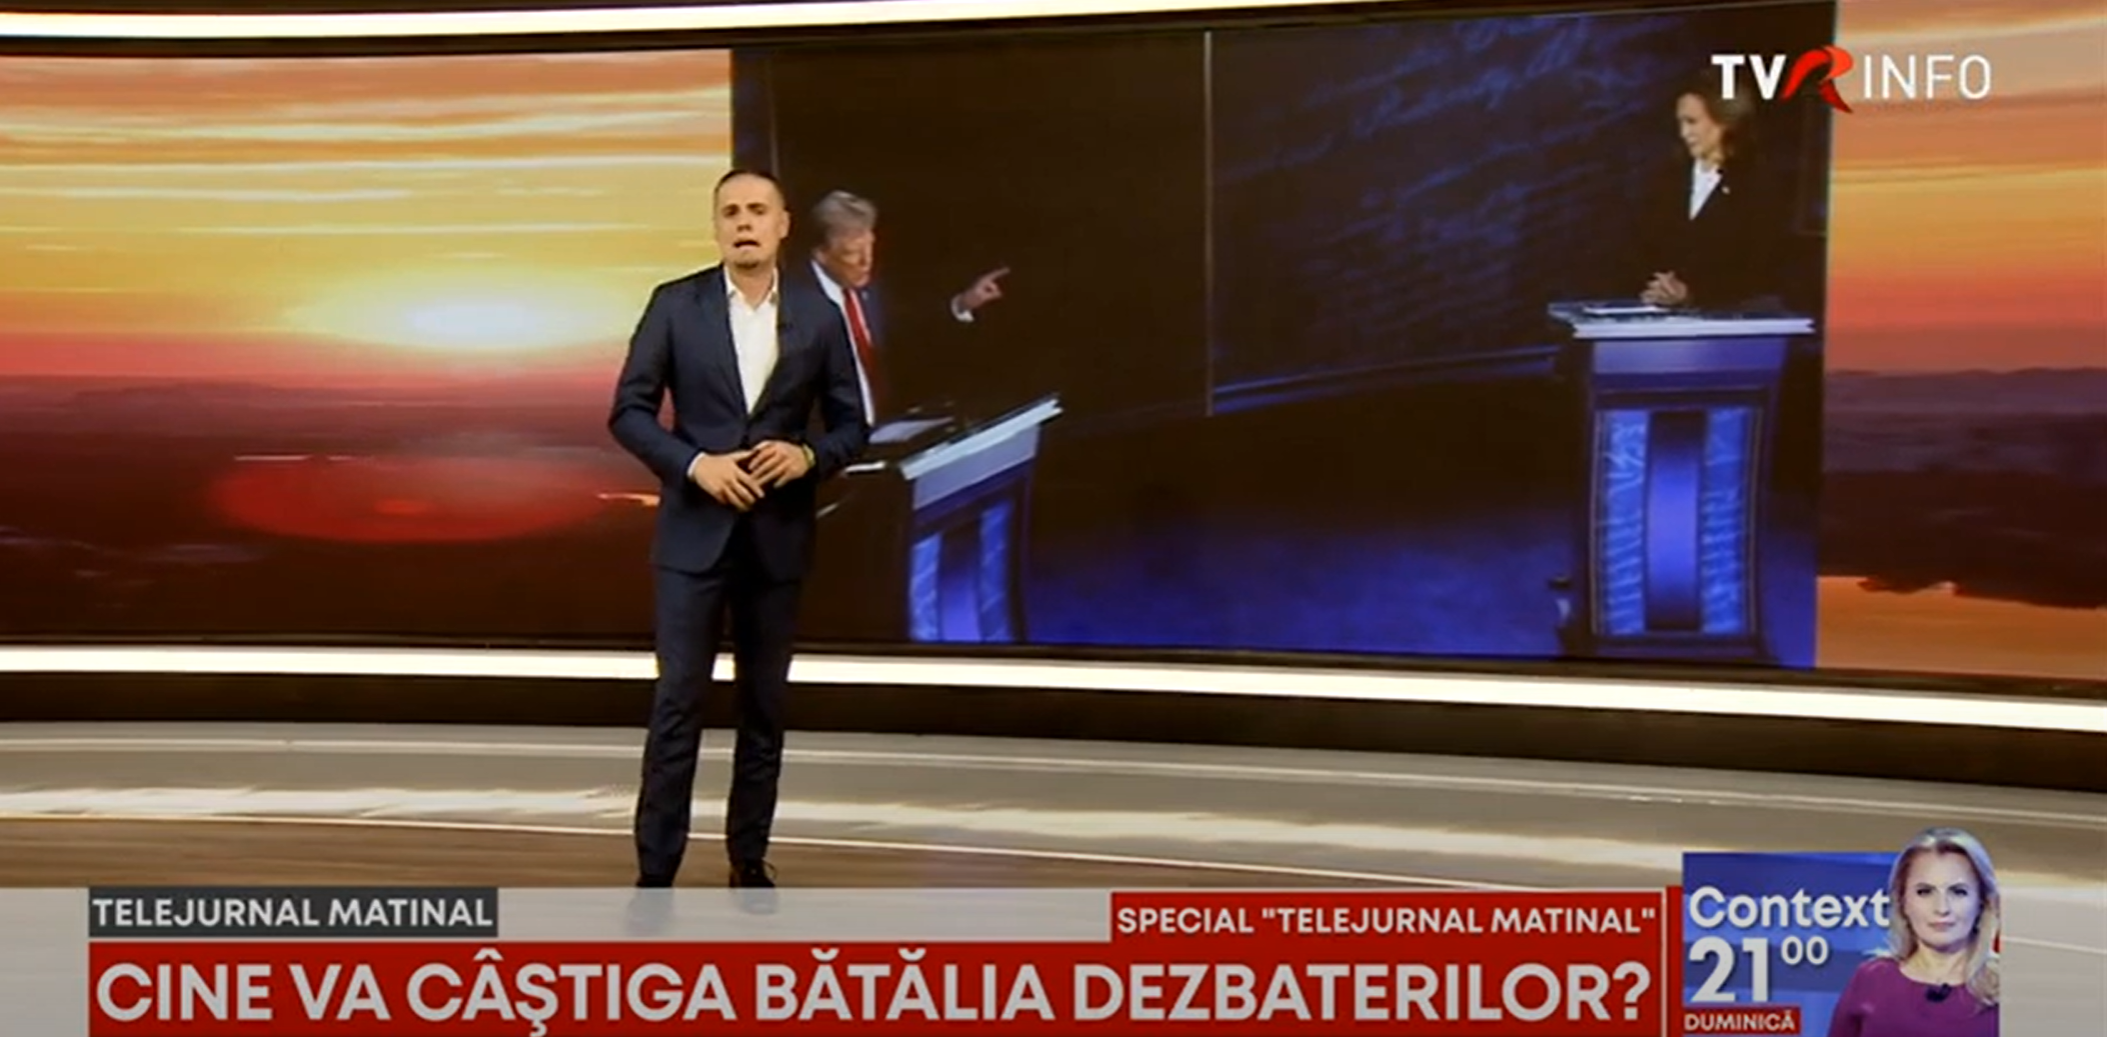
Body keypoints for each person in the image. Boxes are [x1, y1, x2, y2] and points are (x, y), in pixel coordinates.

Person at [608, 167, 870, 889]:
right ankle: (655, 869)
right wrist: (695, 465)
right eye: (730, 212)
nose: (743, 222)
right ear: (717, 227)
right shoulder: (675, 305)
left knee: (764, 706)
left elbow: (852, 425)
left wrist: (807, 455)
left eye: (757, 210)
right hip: (692, 539)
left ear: (783, 225)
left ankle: (748, 857)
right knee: (677, 702)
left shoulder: (818, 316)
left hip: (776, 539)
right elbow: (629, 412)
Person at [789, 189, 1009, 422]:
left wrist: (964, 302)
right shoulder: (793, 308)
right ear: (821, 254)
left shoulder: (867, 284)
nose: (866, 261)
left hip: (887, 428)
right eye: (852, 253)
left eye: (870, 245)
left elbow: (907, 324)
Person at [1827, 827, 2002, 1036]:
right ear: (1903, 902)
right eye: (1924, 892)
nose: (1942, 908)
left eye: (1958, 892)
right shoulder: (1871, 979)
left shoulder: (2006, 988)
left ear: (1982, 903)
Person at [1635, 79, 1783, 310]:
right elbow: (1641, 251)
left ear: (1725, 121)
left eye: (1692, 122)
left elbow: (1762, 270)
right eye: (1680, 122)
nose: (1684, 133)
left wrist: (1692, 294)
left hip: (1732, 320)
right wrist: (1660, 288)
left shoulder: (1759, 185)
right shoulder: (1665, 179)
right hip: (1659, 316)